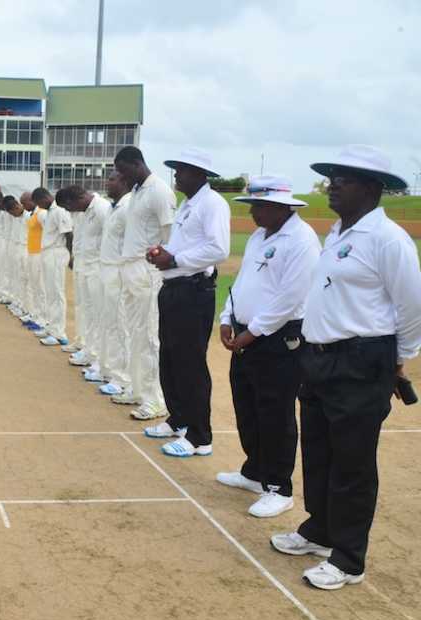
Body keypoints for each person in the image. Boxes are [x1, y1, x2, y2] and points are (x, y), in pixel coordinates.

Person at [271, 146, 421, 590]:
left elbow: (411, 306)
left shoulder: (388, 239)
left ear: (373, 189)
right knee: (318, 451)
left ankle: (349, 558)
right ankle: (320, 530)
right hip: (319, 359)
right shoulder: (338, 232)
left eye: (345, 178)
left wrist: (398, 359)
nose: (333, 184)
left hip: (360, 361)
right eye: (333, 176)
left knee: (353, 462)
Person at [217, 175, 320, 517]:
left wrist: (254, 332)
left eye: (258, 207)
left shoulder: (302, 240)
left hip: (280, 339)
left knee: (275, 411)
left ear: (279, 207)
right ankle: (255, 472)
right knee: (246, 404)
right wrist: (228, 318)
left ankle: (279, 487)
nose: (253, 214)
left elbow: (291, 297)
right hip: (248, 334)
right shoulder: (259, 236)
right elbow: (242, 283)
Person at [145, 148, 230, 456]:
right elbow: (183, 245)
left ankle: (199, 436)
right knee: (169, 357)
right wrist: (162, 252)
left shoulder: (213, 204)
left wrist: (176, 258)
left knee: (190, 362)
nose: (176, 175)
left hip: (194, 291)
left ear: (199, 173)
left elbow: (219, 248)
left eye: (181, 169)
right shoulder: (187, 204)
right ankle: (178, 418)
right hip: (173, 288)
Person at [112, 146, 175, 420]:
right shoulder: (137, 191)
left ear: (137, 163)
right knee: (133, 332)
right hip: (130, 268)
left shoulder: (159, 190)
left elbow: (170, 234)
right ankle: (137, 389)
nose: (121, 177)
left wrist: (158, 261)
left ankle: (155, 399)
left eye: (124, 171)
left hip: (147, 270)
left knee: (149, 336)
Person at [60, 185, 111, 372]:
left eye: (69, 207)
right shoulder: (81, 210)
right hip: (83, 264)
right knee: (85, 309)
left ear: (78, 199)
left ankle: (97, 356)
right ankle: (88, 348)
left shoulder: (101, 208)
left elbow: (111, 238)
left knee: (98, 313)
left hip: (97, 267)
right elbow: (79, 238)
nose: (70, 212)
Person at [94, 171, 134, 397]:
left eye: (112, 179)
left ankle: (124, 379)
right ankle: (112, 371)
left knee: (121, 326)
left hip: (119, 271)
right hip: (106, 268)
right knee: (109, 323)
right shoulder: (112, 207)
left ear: (124, 181)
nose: (107, 182)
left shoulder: (129, 207)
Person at [32, 187, 73, 346]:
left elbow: (68, 234)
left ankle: (60, 334)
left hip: (57, 253)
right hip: (48, 253)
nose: (39, 206)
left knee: (57, 293)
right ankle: (51, 327)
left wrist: (71, 256)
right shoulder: (49, 212)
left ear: (45, 197)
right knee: (50, 292)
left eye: (39, 202)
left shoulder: (59, 211)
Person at [19, 191, 45, 332]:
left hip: (40, 254)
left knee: (40, 288)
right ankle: (36, 315)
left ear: (32, 200)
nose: (23, 206)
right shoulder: (33, 214)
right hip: (32, 252)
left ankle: (43, 319)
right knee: (34, 286)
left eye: (24, 203)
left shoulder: (41, 213)